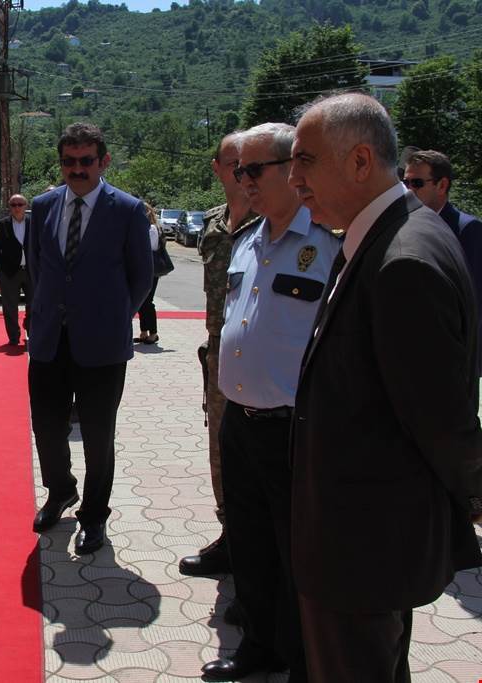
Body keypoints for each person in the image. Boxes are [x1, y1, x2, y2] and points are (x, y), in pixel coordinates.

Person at [288, 93, 482, 682]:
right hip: (364, 541)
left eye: (305, 161)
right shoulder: (389, 233)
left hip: (363, 549)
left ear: (360, 160)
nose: (294, 179)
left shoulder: (403, 260)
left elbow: (442, 420)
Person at [200, 123, 340, 682]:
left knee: (295, 555)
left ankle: (304, 656)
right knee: (252, 547)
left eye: (254, 170)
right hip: (240, 420)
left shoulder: (328, 243)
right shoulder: (246, 240)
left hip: (293, 429)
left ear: (291, 168)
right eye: (239, 171)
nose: (243, 181)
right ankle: (259, 645)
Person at [28, 122, 152, 555]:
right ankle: (60, 490)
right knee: (46, 427)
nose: (76, 169)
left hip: (102, 344)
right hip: (48, 340)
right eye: (68, 161)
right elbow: (37, 268)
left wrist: (114, 315)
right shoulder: (42, 207)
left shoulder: (128, 210)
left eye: (85, 161)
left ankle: (95, 516)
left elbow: (142, 276)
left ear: (103, 162)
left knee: (99, 435)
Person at [178, 131, 260, 579]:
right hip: (220, 353)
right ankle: (231, 537)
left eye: (249, 164)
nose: (240, 172)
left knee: (261, 454)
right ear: (217, 169)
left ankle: (257, 548)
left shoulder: (277, 223)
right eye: (233, 164)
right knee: (220, 449)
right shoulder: (213, 225)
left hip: (262, 356)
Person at [402, 149, 482, 375]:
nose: (408, 189)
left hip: (454, 357)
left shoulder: (467, 229)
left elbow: (472, 300)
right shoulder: (404, 224)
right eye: (405, 181)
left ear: (442, 185)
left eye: (416, 183)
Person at [0, 193, 33, 346]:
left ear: (26, 206)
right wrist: (0, 269)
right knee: (10, 307)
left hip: (31, 271)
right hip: (9, 272)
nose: (17, 208)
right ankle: (13, 337)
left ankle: (31, 331)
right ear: (9, 207)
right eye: (13, 205)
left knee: (34, 305)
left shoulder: (34, 223)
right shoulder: (2, 225)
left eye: (20, 204)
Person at [135, 202, 161, 344]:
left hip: (151, 270)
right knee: (141, 302)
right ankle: (144, 332)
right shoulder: (143, 228)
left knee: (148, 302)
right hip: (142, 268)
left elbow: (149, 247)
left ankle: (153, 333)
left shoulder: (151, 228)